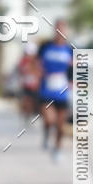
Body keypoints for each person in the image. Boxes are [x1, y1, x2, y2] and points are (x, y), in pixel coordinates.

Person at [37, 20, 73, 162]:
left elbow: (74, 68)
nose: (60, 33)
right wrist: (39, 72)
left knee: (60, 125)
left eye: (63, 29)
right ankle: (46, 132)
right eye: (58, 29)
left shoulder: (69, 49)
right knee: (49, 120)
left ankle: (57, 149)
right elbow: (36, 63)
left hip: (63, 91)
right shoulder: (45, 47)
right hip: (46, 90)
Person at [16, 42, 40, 121]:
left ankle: (29, 113)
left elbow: (38, 72)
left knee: (32, 101)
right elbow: (21, 71)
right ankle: (26, 114)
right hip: (26, 85)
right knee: (26, 100)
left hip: (34, 85)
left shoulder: (36, 62)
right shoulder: (23, 61)